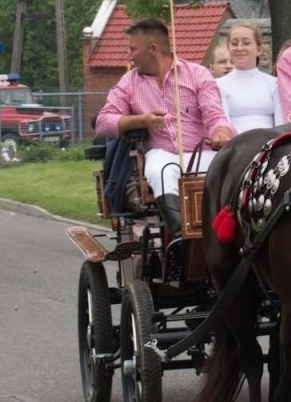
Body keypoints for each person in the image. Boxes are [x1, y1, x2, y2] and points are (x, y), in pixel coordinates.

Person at [95, 17, 234, 238]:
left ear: (153, 49)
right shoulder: (129, 82)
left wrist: (221, 133)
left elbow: (215, 115)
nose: (129, 55)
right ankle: (180, 234)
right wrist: (142, 120)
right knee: (160, 170)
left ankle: (227, 231)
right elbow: (103, 123)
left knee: (227, 168)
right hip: (162, 153)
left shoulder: (197, 74)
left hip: (202, 152)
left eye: (133, 49)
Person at [216, 21, 283, 133]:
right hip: (235, 141)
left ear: (259, 49)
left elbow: (281, 124)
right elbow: (223, 124)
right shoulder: (218, 85)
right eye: (234, 44)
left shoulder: (274, 84)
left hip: (270, 141)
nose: (239, 48)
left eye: (246, 43)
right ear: (228, 48)